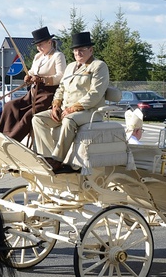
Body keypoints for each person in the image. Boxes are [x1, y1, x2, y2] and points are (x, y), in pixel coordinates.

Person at [31, 31, 110, 173]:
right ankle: (48, 156)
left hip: (90, 111)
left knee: (68, 121)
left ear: (90, 50)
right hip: (65, 109)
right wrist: (56, 105)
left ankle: (57, 160)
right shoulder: (70, 67)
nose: (77, 53)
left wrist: (73, 109)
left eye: (81, 50)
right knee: (38, 119)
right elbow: (61, 88)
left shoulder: (98, 66)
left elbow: (95, 94)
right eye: (75, 50)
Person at [0, 26, 66, 142]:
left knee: (29, 114)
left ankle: (12, 140)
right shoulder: (37, 57)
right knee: (10, 106)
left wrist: (43, 79)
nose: (39, 48)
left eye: (41, 45)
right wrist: (27, 77)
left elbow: (61, 77)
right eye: (37, 46)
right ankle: (1, 135)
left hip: (48, 95)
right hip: (33, 93)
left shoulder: (58, 56)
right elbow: (32, 72)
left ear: (49, 42)